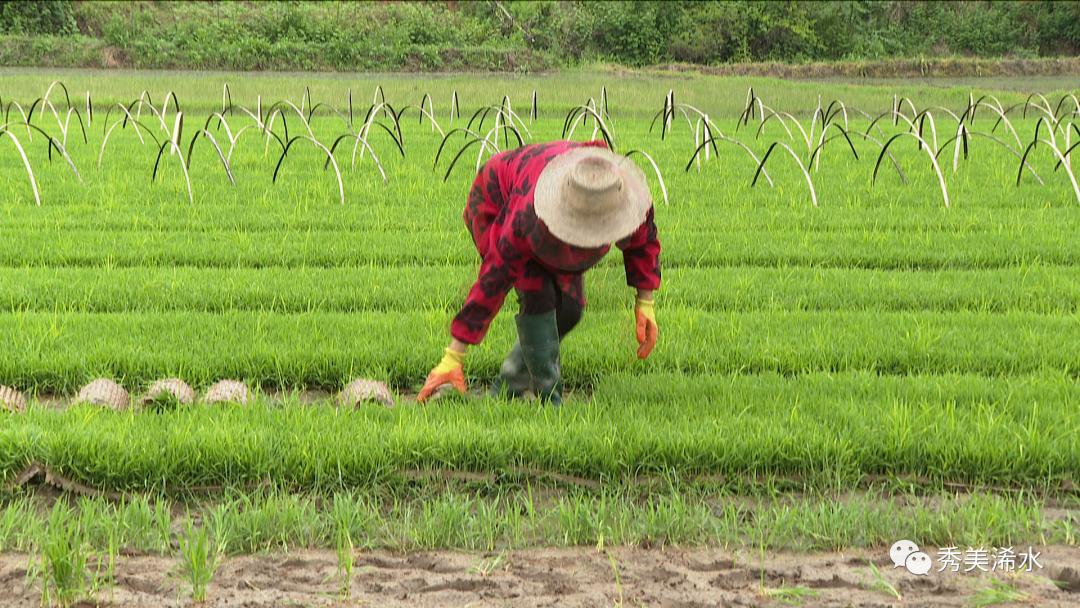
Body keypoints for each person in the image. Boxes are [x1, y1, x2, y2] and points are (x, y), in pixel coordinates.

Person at [417, 140, 661, 404]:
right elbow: (493, 280)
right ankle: (549, 401)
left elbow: (643, 241)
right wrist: (453, 357)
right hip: (498, 199)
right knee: (539, 296)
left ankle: (510, 383)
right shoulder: (525, 218)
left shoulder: (615, 190)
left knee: (570, 308)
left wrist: (645, 302)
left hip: (550, 202)